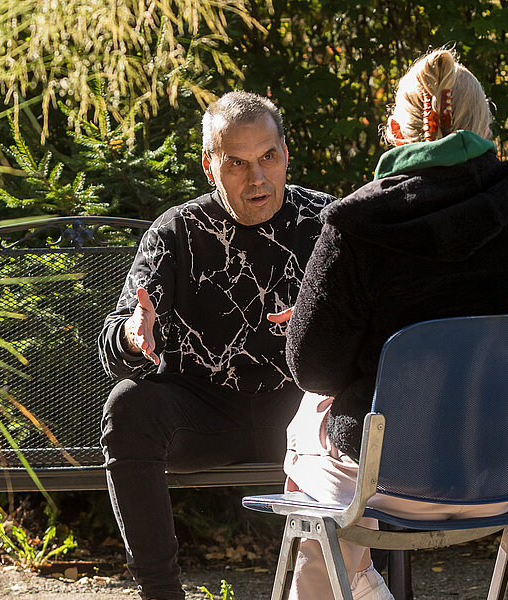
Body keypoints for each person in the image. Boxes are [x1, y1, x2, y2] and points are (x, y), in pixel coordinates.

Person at [280, 48, 508, 600]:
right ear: (486, 129)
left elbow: (312, 367)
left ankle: (353, 579)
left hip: (393, 481)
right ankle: (356, 579)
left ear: (394, 131)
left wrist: (341, 317)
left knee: (302, 422)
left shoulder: (356, 229)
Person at [97, 90, 337, 600]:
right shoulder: (177, 232)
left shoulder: (327, 224)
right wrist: (133, 336)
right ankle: (161, 594)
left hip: (301, 419)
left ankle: (355, 584)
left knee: (365, 403)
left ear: (286, 154)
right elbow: (114, 337)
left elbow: (375, 329)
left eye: (268, 157)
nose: (257, 178)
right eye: (237, 163)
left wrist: (330, 321)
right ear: (210, 167)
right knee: (128, 406)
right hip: (202, 415)